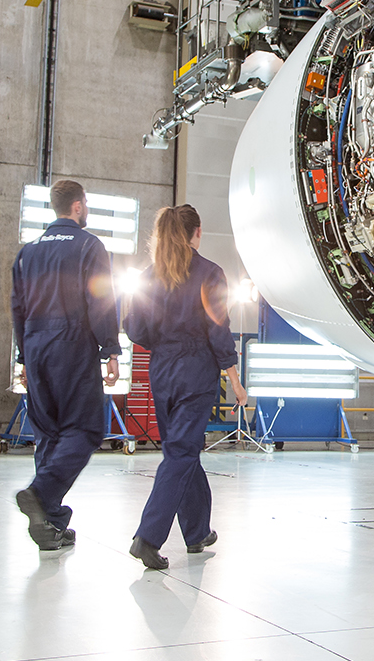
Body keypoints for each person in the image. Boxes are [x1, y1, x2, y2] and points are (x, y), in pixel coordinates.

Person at [124, 204, 248, 570]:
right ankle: (148, 537)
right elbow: (219, 331)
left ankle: (196, 532)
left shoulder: (150, 275)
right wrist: (236, 382)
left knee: (180, 451)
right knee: (181, 453)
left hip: (161, 371)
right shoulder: (210, 273)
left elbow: (134, 329)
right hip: (195, 372)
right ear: (196, 233)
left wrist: (164, 343)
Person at [10, 179, 121, 551]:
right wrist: (111, 349)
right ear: (78, 206)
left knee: (49, 432)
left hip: (36, 343)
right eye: (85, 203)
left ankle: (51, 524)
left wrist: (24, 355)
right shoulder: (90, 246)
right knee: (87, 428)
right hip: (71, 343)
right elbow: (101, 299)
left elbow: (17, 308)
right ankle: (41, 494)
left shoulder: (28, 251)